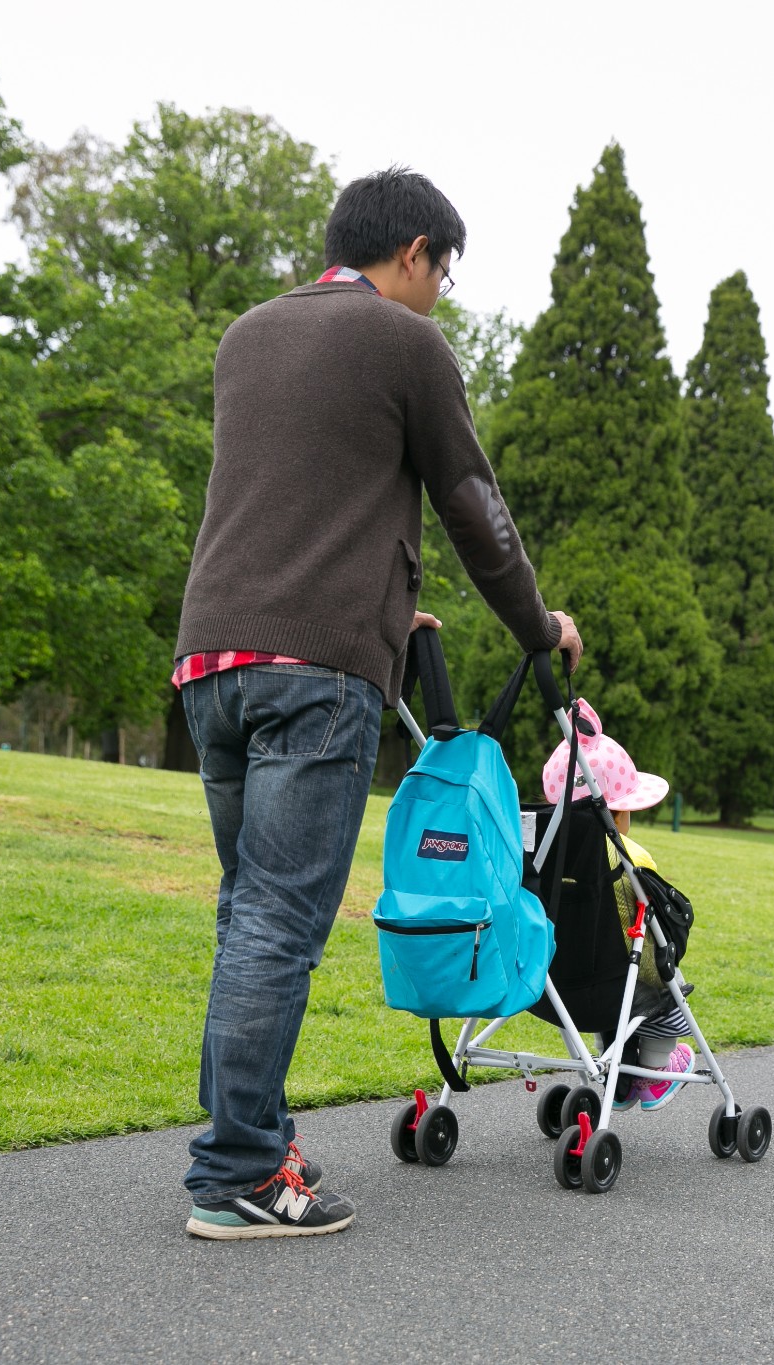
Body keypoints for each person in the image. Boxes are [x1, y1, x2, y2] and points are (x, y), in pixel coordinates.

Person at [173, 168, 584, 1241]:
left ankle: (250, 1139)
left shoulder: (247, 336)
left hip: (212, 662)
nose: (440, 295)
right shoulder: (406, 345)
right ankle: (238, 1175)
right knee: (279, 924)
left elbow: (300, 499)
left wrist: (392, 609)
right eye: (442, 272)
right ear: (414, 251)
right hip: (315, 673)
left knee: (244, 916)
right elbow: (472, 508)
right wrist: (540, 628)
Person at [541, 700, 692, 1109]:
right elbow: (655, 936)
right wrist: (667, 971)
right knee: (668, 988)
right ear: (620, 812)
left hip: (551, 985)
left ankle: (620, 1082)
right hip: (614, 982)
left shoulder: (538, 857)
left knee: (615, 991)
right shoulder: (631, 859)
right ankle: (658, 1071)